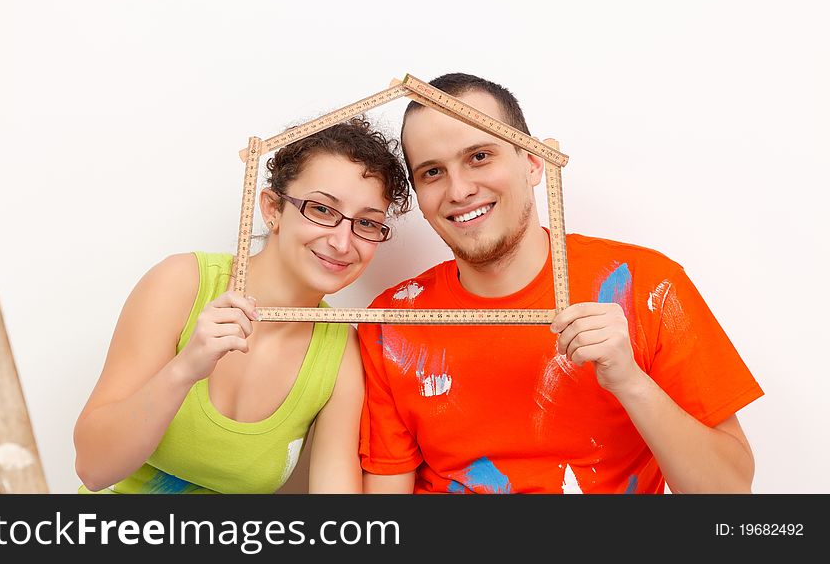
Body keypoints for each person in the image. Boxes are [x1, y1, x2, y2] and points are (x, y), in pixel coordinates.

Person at [358, 73, 764, 494]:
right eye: (432, 172)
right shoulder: (391, 323)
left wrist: (630, 381)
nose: (459, 190)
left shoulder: (648, 287)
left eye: (479, 156)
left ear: (533, 163)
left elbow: (729, 493)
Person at [74, 116, 410, 494]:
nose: (342, 242)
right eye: (321, 210)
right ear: (272, 208)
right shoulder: (181, 284)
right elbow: (92, 468)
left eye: (366, 223)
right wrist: (185, 370)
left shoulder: (341, 352)